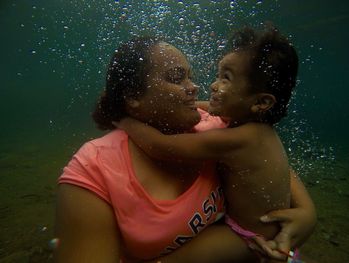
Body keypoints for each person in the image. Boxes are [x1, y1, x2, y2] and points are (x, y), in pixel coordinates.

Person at [54, 36, 316, 263]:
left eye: (190, 77)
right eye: (177, 78)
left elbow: (274, 171)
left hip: (250, 239)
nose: (195, 87)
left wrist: (307, 213)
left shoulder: (219, 128)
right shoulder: (95, 168)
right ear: (133, 98)